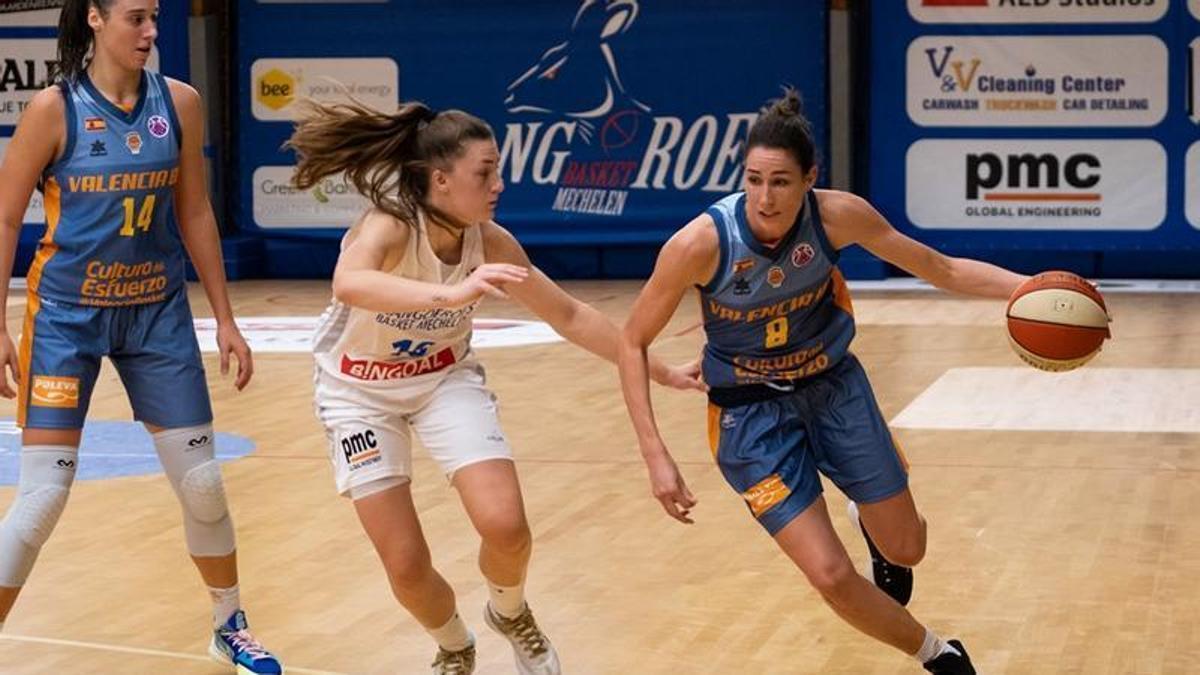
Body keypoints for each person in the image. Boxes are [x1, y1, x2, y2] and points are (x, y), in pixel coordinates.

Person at [286, 97, 702, 675]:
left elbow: (572, 316)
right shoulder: (389, 224)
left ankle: (510, 612)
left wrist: (657, 368)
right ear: (440, 179)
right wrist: (454, 294)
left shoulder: (491, 241)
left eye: (498, 170)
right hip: (357, 394)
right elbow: (349, 282)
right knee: (405, 565)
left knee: (507, 527)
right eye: (485, 173)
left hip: (442, 381)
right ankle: (455, 645)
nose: (498, 184)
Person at [617, 89, 1027, 674]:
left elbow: (943, 269)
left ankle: (869, 518)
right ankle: (940, 654)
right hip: (748, 416)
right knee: (831, 575)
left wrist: (1031, 287)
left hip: (834, 387)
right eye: (754, 179)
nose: (765, 197)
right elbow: (631, 342)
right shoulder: (699, 245)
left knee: (907, 547)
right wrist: (655, 454)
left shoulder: (838, 216)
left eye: (781, 181)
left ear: (810, 178)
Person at [0, 1, 281, 673]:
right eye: (136, 18)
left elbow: (195, 210)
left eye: (154, 17)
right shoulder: (52, 110)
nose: (152, 32)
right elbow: (7, 217)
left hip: (156, 313)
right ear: (94, 19)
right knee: (42, 497)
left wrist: (226, 317)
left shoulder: (178, 103)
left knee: (204, 483)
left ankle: (228, 624)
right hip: (66, 316)